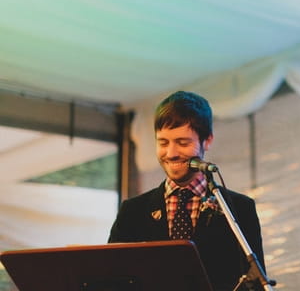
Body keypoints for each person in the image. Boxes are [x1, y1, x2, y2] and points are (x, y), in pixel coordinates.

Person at [108, 91, 266, 291]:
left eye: (183, 142)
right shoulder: (133, 211)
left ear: (207, 141)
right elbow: (111, 279)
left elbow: (256, 285)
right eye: (163, 142)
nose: (171, 153)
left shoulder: (239, 208)